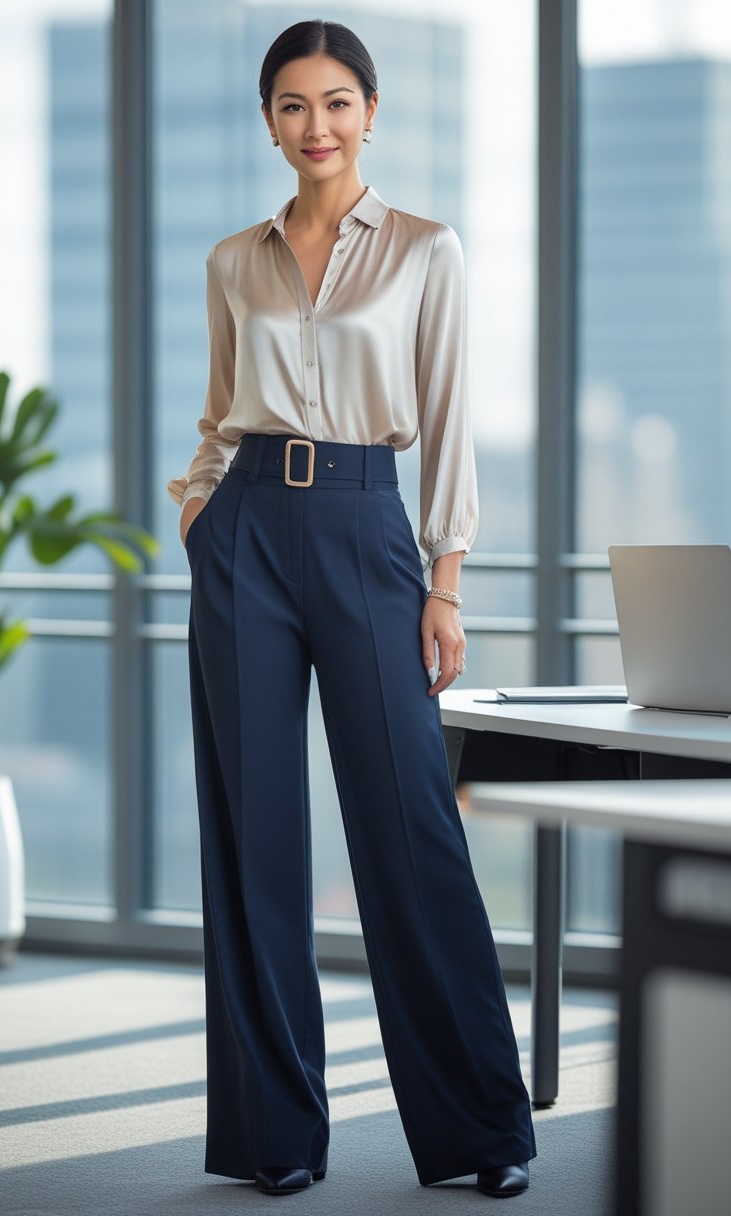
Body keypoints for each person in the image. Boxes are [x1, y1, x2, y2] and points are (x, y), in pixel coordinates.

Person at [167, 18, 537, 1199]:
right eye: (290, 105)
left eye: (335, 102)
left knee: (410, 827)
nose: (313, 125)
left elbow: (449, 415)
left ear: (370, 111)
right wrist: (196, 513)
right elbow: (220, 409)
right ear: (268, 120)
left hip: (370, 528)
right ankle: (274, 1134)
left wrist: (445, 577)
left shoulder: (427, 250)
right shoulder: (235, 260)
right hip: (245, 540)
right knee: (253, 836)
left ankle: (480, 1130)